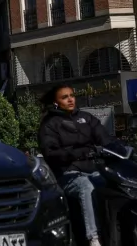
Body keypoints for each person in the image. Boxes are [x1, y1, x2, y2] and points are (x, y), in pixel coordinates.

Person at [38, 84, 111, 246]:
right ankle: (93, 238)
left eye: (72, 95)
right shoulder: (49, 124)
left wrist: (123, 149)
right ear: (56, 102)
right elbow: (50, 153)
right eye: (64, 97)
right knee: (86, 186)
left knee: (113, 183)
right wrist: (75, 153)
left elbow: (106, 139)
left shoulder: (87, 118)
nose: (70, 99)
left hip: (94, 170)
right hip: (68, 175)